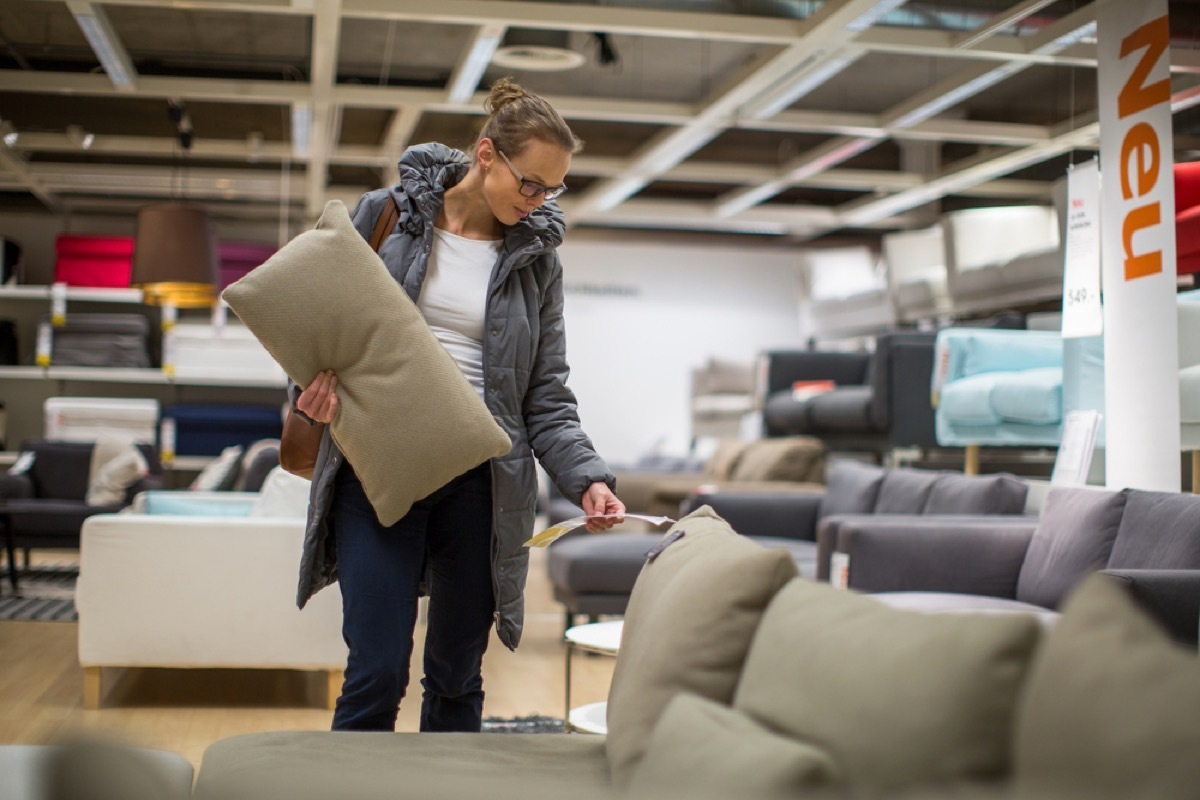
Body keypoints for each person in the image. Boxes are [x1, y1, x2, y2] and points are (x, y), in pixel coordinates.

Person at [288, 77, 625, 734]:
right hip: (377, 468)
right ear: (486, 154)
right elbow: (316, 321)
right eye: (529, 183)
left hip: (482, 484)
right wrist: (310, 395)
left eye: (551, 191)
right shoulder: (385, 217)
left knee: (455, 675)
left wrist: (587, 478)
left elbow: (547, 398)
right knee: (376, 668)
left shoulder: (536, 262)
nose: (537, 203)